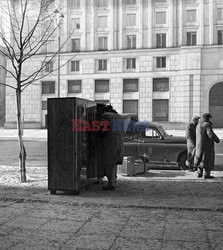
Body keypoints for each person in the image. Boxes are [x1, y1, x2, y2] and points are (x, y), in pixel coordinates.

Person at [100, 104, 123, 190]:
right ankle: (114, 181)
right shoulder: (119, 116)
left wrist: (98, 135)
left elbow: (104, 129)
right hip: (119, 141)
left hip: (110, 142)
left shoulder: (106, 116)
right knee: (114, 162)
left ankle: (111, 183)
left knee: (108, 162)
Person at [194, 113, 220, 178]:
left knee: (200, 158)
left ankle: (199, 173)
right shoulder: (207, 125)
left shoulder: (198, 125)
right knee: (207, 159)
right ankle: (206, 174)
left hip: (199, 145)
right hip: (207, 146)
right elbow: (210, 134)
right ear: (208, 118)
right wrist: (217, 140)